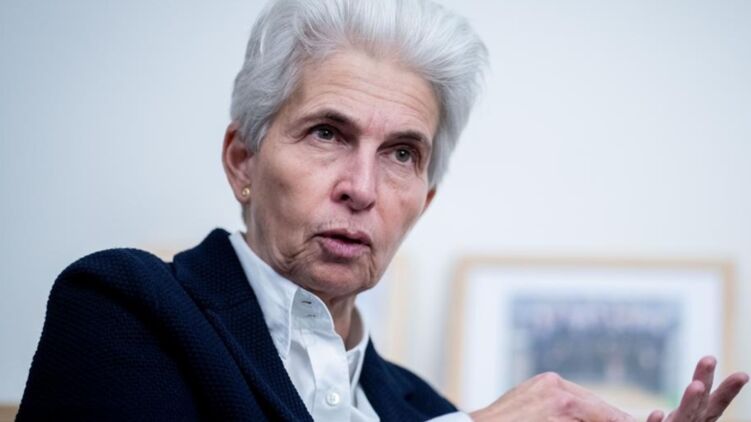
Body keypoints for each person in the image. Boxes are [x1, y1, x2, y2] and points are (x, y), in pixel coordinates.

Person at [17, 0, 748, 420]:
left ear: (422, 202)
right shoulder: (124, 306)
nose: (361, 187)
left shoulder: (419, 406)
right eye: (327, 133)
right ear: (242, 160)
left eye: (401, 152)